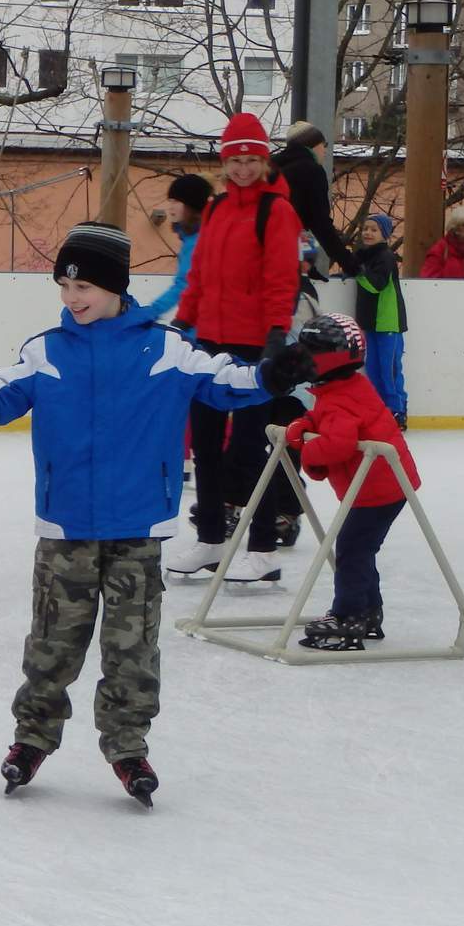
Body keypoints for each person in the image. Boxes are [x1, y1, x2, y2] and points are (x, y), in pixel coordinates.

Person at [0, 222, 312, 806]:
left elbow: (225, 380)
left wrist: (271, 375)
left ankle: (128, 746)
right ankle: (32, 738)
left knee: (132, 649)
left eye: (84, 287)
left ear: (117, 287)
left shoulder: (164, 347)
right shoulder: (46, 350)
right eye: (64, 287)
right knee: (52, 643)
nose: (72, 298)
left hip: (136, 527)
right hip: (66, 525)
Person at [163, 114, 305, 586]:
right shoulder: (219, 210)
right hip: (209, 341)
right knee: (204, 443)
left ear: (264, 162)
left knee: (249, 446)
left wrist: (274, 334)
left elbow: (282, 278)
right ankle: (211, 540)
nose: (243, 169)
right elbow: (200, 275)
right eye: (235, 160)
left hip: (252, 344)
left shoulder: (276, 212)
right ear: (224, 163)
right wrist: (184, 321)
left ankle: (263, 547)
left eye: (251, 160)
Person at [284, 314, 421, 651]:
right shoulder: (344, 387)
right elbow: (326, 417)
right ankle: (368, 610)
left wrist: (305, 449)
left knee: (352, 550)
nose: (301, 357)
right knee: (360, 549)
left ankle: (349, 616)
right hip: (380, 485)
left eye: (307, 351)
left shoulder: (342, 399)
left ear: (327, 359)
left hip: (377, 489)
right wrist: (305, 422)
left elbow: (337, 444)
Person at [270, 121, 359, 277]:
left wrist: (308, 267)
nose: (325, 150)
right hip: (285, 258)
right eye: (323, 144)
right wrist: (348, 262)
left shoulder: (272, 169)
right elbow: (319, 223)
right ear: (312, 145)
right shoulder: (312, 171)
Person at [354, 213, 409, 427]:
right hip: (370, 323)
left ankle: (397, 411)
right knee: (373, 369)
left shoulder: (386, 256)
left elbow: (375, 284)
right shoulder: (363, 255)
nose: (368, 233)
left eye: (374, 229)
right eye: (365, 228)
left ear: (384, 235)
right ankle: (378, 410)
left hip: (388, 323)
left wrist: (356, 272)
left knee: (389, 369)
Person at [134, 172, 210, 324]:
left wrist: (151, 311)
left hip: (201, 324)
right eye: (171, 201)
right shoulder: (191, 238)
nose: (171, 208)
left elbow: (184, 285)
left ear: (191, 205)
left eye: (177, 202)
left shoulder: (198, 241)